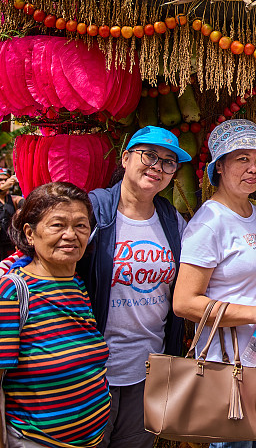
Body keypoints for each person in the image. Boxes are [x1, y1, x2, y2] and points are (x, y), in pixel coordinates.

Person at [174, 119, 256, 448]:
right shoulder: (208, 223)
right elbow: (184, 303)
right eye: (242, 158)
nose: (253, 168)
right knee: (232, 444)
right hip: (227, 363)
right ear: (220, 167)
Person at [76, 126, 192, 448]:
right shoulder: (92, 210)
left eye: (169, 162)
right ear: (126, 158)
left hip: (149, 370)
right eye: (150, 155)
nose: (157, 166)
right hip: (92, 371)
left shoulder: (172, 221)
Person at [0, 182, 111, 447]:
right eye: (57, 225)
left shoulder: (77, 285)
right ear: (29, 233)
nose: (71, 235)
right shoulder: (13, 291)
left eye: (81, 225)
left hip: (91, 440)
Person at [0, 168, 24, 258]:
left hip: (9, 245)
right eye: (0, 180)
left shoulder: (14, 200)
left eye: (5, 179)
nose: (3, 182)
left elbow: (28, 203)